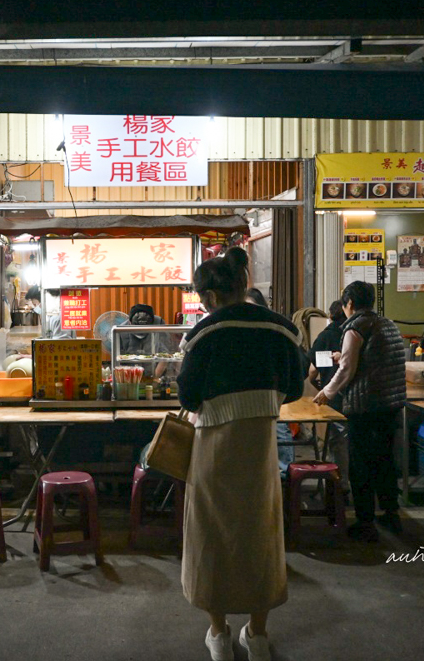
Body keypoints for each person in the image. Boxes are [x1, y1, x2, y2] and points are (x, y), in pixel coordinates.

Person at [177, 248, 308, 661]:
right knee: (260, 536)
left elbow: (188, 395)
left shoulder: (203, 333)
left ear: (211, 297)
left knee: (211, 536)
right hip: (261, 445)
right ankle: (259, 634)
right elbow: (295, 386)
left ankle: (218, 633)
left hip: (214, 445)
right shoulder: (282, 330)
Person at [313, 281, 406, 542]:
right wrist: (339, 356)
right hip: (390, 405)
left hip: (365, 408)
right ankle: (391, 513)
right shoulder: (387, 324)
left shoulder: (355, 327)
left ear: (349, 303)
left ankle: (365, 523)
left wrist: (326, 392)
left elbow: (346, 370)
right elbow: (366, 359)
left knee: (361, 464)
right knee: (385, 460)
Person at [244, 287, 295, 473]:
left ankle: (284, 474)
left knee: (280, 429)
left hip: (273, 392)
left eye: (252, 306)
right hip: (251, 397)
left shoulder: (272, 330)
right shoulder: (240, 331)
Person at [308, 300, 351, 492]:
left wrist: (317, 385)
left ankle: (340, 487)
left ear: (331, 316)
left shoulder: (326, 337)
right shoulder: (357, 332)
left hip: (334, 398)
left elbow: (312, 371)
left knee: (338, 442)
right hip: (359, 396)